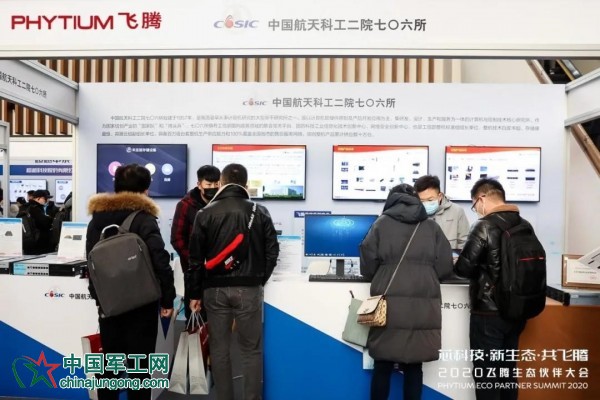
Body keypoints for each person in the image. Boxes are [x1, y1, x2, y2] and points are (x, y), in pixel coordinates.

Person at [186, 163, 279, 400]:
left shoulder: (205, 213)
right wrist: (259, 279)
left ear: (222, 182)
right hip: (249, 289)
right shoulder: (260, 211)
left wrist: (194, 294)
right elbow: (272, 252)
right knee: (251, 350)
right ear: (245, 185)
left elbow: (195, 260)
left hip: (214, 290)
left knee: (219, 350)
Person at [86, 164, 176, 400]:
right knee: (140, 366)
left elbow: (90, 263)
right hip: (142, 303)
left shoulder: (97, 220)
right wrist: (168, 299)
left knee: (111, 365)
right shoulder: (144, 219)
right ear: (145, 190)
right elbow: (160, 260)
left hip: (109, 305)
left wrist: (99, 298)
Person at [360, 184, 453, 400]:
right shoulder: (431, 227)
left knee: (382, 364)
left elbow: (367, 266)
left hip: (388, 305)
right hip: (422, 305)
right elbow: (445, 267)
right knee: (414, 366)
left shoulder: (380, 224)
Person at [454, 178, 528, 400]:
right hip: (517, 310)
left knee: (487, 376)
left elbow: (463, 269)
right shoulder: (524, 225)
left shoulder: (484, 226)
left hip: (488, 313)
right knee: (507, 372)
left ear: (482, 198)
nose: (476, 210)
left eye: (474, 205)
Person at [170, 165, 220, 320]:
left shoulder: (222, 203)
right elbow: (177, 239)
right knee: (195, 318)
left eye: (216, 184)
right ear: (199, 184)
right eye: (208, 184)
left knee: (219, 319)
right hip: (194, 272)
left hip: (219, 272)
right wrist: (195, 260)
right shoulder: (186, 205)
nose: (213, 188)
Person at [414, 175, 470, 250]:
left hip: (450, 256)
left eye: (430, 200)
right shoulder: (413, 213)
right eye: (422, 201)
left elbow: (464, 242)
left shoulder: (457, 211)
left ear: (439, 196)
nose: (426, 204)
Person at [20, 189, 54, 255]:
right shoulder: (34, 209)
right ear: (38, 198)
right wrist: (50, 219)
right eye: (44, 198)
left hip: (28, 241)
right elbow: (45, 222)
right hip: (38, 244)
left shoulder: (26, 207)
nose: (46, 200)